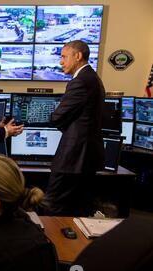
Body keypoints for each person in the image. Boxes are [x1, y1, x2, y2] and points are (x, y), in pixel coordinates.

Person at [45, 40, 105, 217]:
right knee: (78, 210)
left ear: (78, 56)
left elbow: (56, 118)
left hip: (73, 158)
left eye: (64, 56)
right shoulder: (92, 78)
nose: (61, 61)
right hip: (85, 158)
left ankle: (52, 243)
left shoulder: (80, 81)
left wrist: (57, 119)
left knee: (53, 207)